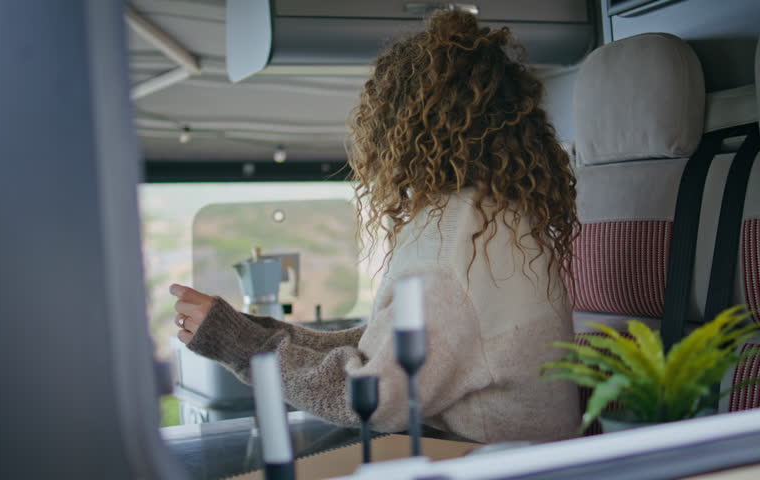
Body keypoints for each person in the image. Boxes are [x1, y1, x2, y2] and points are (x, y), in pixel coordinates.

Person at [170, 10, 580, 443]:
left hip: (499, 466)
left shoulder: (449, 251)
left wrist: (245, 348)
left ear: (403, 126)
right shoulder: (493, 218)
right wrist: (251, 330)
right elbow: (378, 345)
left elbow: (371, 398)